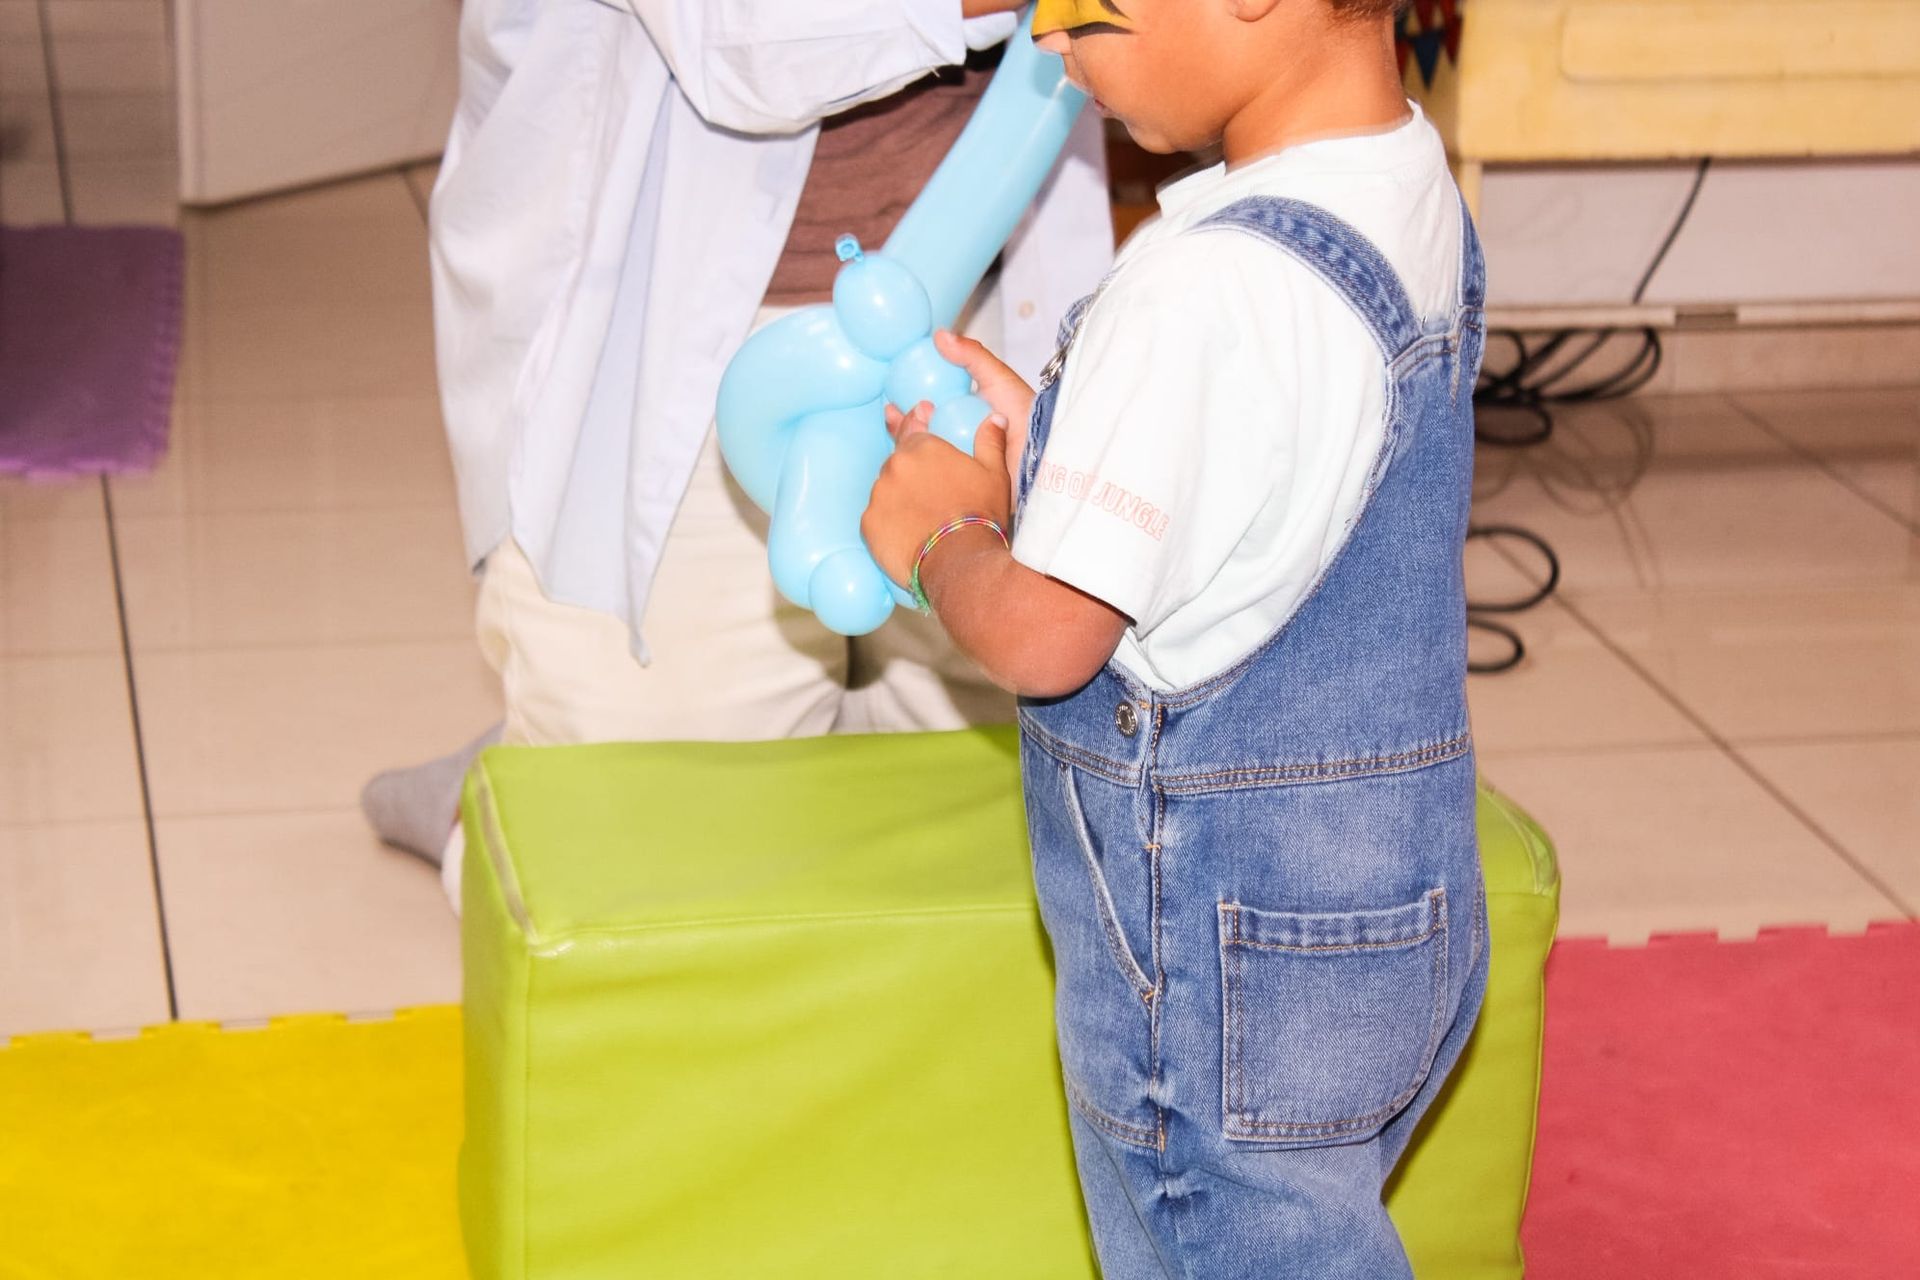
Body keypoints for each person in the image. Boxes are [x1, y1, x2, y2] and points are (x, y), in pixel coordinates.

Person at [861, 0, 1488, 1273]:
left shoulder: (1196, 288)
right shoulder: (1408, 178)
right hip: (1398, 919)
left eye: (1079, 6)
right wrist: (1074, 447)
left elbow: (1048, 641)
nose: (1046, 40)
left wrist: (946, 539)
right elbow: (1285, 480)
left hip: (1220, 975)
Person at [360, 0, 1114, 893]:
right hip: (672, 330)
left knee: (1004, 824)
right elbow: (737, 33)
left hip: (979, 297)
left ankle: (635, 713)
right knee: (643, 878)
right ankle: (514, 773)